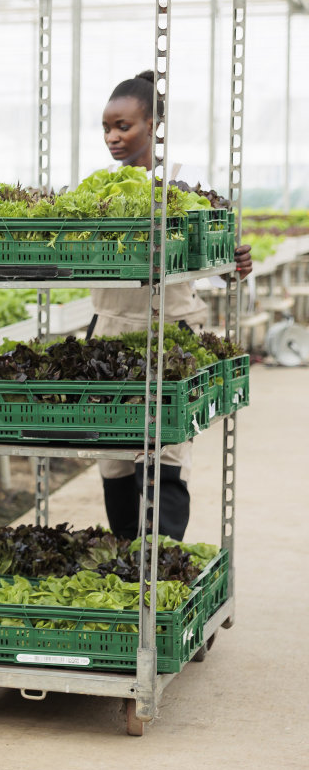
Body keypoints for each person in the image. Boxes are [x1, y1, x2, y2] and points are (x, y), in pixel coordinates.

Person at [92, 71, 252, 541]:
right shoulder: (99, 195)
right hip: (109, 334)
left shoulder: (185, 195)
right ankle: (124, 557)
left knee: (162, 454)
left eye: (123, 126)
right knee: (114, 457)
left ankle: (161, 569)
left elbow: (220, 260)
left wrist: (234, 259)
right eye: (106, 128)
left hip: (170, 334)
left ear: (154, 125)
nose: (113, 138)